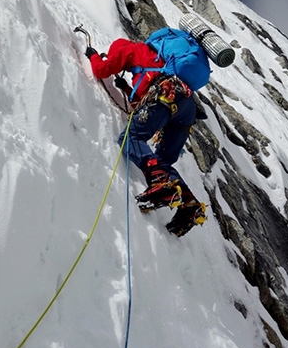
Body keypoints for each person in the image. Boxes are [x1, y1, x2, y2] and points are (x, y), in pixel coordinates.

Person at [85, 33, 208, 236]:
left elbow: (102, 70)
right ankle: (188, 205)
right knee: (161, 162)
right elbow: (147, 110)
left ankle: (160, 184)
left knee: (130, 138)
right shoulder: (158, 60)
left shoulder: (126, 49)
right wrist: (126, 88)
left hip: (166, 95)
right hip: (185, 108)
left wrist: (93, 55)